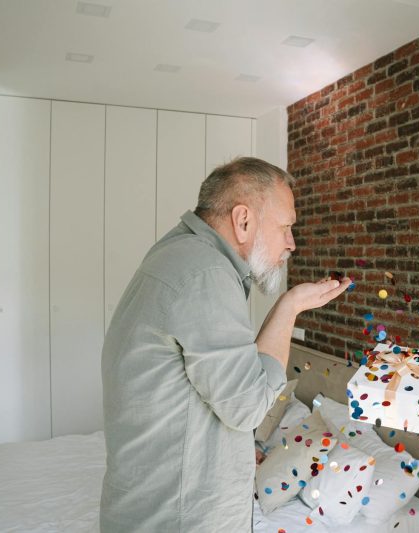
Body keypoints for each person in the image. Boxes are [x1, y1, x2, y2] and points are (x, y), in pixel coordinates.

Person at [99, 157, 351, 532]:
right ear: (243, 220)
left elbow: (222, 385)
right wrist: (291, 306)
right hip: (181, 518)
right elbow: (249, 406)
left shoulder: (178, 252)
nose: (291, 244)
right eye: (285, 227)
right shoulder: (206, 274)